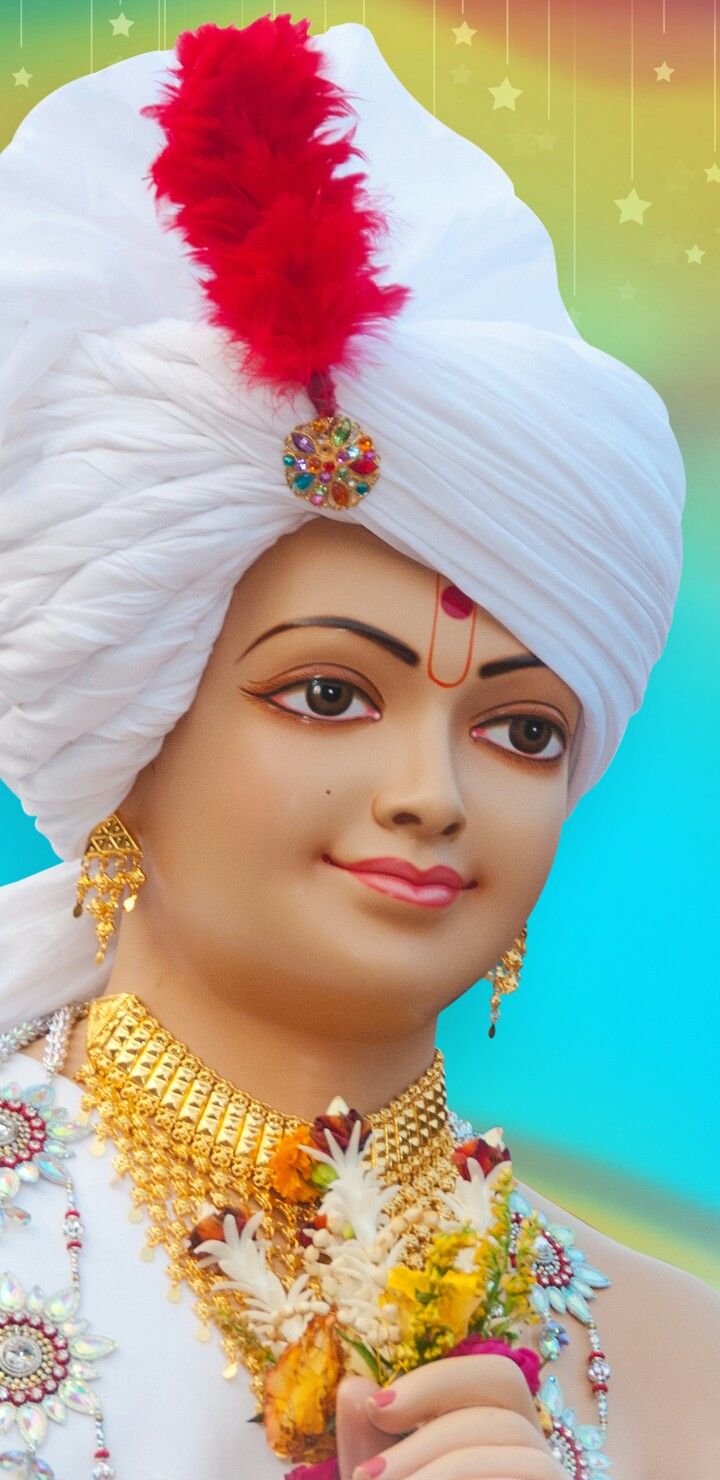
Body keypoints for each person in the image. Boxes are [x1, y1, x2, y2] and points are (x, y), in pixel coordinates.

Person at [0, 14, 717, 1480]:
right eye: (329, 695)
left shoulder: (676, 1364)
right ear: (137, 726)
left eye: (521, 729)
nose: (428, 794)